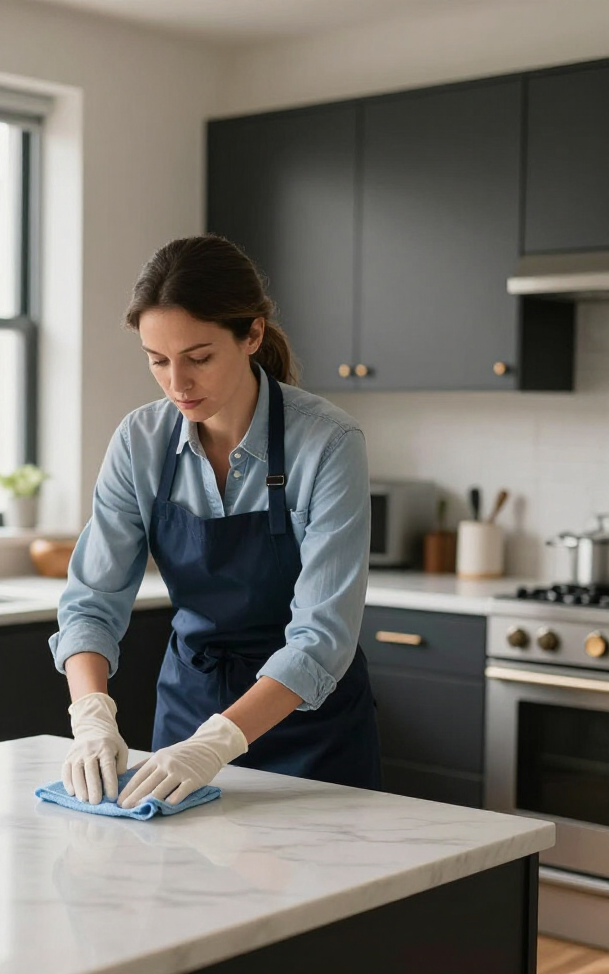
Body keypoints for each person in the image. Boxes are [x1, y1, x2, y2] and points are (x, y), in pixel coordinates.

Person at [49, 234, 381, 810]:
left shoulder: (328, 443)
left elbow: (323, 637)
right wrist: (91, 718)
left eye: (198, 357)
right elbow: (91, 603)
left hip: (309, 729)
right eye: (158, 361)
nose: (178, 383)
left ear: (251, 334)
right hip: (188, 709)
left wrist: (217, 743)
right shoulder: (139, 441)